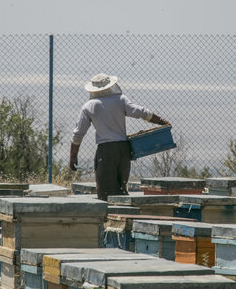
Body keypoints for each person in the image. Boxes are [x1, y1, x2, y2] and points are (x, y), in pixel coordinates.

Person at [70, 73, 170, 201]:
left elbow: (78, 134)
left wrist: (73, 156)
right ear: (111, 86)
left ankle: (110, 220)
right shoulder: (120, 99)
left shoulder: (88, 106)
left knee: (106, 192)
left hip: (105, 151)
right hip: (124, 149)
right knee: (121, 188)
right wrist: (162, 121)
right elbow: (142, 112)